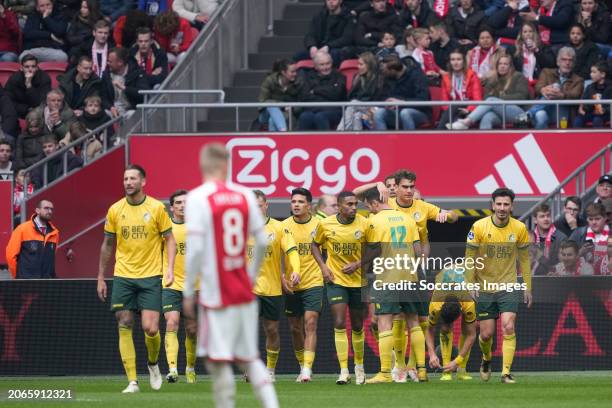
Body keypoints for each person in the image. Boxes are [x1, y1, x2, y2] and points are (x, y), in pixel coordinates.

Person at [182, 143, 279, 408]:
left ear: (203, 165)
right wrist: (250, 275)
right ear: (227, 165)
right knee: (249, 357)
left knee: (217, 359)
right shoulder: (245, 195)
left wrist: (188, 290)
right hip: (243, 289)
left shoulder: (198, 198)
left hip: (216, 293)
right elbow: (261, 241)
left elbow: (196, 249)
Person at [354, 169, 457, 381]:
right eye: (404, 187)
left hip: (402, 272)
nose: (409, 191)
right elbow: (355, 193)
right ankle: (404, 368)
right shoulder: (393, 207)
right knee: (407, 321)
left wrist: (447, 215)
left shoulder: (419, 207)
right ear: (394, 189)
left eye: (412, 187)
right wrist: (376, 184)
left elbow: (453, 218)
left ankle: (410, 369)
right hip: (405, 271)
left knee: (411, 320)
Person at [97, 164, 176, 393]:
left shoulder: (157, 208)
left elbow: (170, 240)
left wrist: (169, 268)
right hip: (123, 276)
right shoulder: (115, 210)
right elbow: (107, 244)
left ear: (143, 182)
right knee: (124, 323)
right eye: (125, 179)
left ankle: (152, 364)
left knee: (150, 329)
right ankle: (132, 381)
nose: (128, 182)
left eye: (133, 178)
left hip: (151, 276)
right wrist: (101, 276)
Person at [465, 187, 532, 384]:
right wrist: (470, 283)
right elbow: (469, 258)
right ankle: (486, 359)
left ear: (512, 206)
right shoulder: (478, 227)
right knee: (486, 335)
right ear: (493, 205)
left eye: (506, 204)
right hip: (484, 287)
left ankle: (506, 373)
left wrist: (528, 287)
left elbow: (525, 260)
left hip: (508, 285)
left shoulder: (519, 228)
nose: (502, 208)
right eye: (499, 204)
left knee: (508, 326)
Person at [360, 186, 425, 383]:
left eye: (369, 207)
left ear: (374, 203)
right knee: (414, 322)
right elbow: (418, 251)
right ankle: (421, 371)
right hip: (410, 277)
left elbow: (373, 250)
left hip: (387, 278)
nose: (369, 210)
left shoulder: (374, 221)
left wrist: (360, 266)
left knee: (384, 323)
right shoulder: (408, 219)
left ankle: (385, 374)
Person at [311, 191, 368, 385]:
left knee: (359, 325)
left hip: (359, 281)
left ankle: (359, 367)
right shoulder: (326, 224)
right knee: (339, 321)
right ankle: (344, 370)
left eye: (355, 204)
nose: (354, 207)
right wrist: (324, 266)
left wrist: (358, 264)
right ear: (340, 206)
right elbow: (314, 245)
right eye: (349, 204)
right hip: (336, 280)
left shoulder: (365, 223)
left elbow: (376, 249)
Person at [248, 190, 300, 382]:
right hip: (248, 290)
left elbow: (292, 251)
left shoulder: (279, 228)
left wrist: (295, 269)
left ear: (266, 205)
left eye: (259, 205)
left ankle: (270, 370)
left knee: (271, 329)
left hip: (271, 288)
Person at [282, 188, 323, 383]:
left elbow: (329, 252)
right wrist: (283, 278)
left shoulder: (319, 225)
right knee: (294, 328)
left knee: (311, 322)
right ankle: (301, 365)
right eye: (293, 201)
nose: (296, 205)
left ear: (308, 205)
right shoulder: (283, 226)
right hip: (291, 284)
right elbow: (278, 256)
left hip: (314, 281)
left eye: (300, 202)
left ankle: (307, 369)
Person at [162, 189, 198, 384]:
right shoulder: (165, 228)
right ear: (172, 207)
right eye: (178, 203)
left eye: (186, 202)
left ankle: (190, 368)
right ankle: (173, 369)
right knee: (171, 323)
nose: (183, 206)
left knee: (192, 330)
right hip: (170, 284)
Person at [449, 53, 528, 129]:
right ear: (496, 66)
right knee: (487, 117)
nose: (502, 66)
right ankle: (484, 141)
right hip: (500, 113)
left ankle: (467, 122)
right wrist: (497, 99)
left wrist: (499, 98)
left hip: (522, 115)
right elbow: (486, 99)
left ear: (510, 67)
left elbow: (521, 97)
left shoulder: (518, 76)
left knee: (492, 100)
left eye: (505, 64)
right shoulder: (492, 80)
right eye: (500, 64)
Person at [426, 269, 477, 381]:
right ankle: (446, 372)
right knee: (445, 329)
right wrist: (432, 354)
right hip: (445, 276)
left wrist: (457, 360)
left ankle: (461, 370)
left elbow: (472, 335)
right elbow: (429, 330)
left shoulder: (468, 302)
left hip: (468, 275)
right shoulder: (436, 303)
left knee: (467, 329)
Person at [522, 47, 584, 129]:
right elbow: (538, 87)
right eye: (564, 60)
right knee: (540, 114)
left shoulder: (578, 80)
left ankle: (528, 114)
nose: (567, 63)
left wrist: (561, 95)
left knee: (555, 87)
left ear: (574, 63)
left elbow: (575, 95)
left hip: (563, 111)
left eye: (570, 60)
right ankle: (541, 139)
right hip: (545, 107)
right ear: (558, 62)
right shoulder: (546, 72)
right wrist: (542, 90)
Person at [374, 54, 431, 130]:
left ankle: (408, 141)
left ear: (393, 70)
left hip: (420, 112)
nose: (383, 73)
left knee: (405, 113)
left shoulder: (417, 75)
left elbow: (423, 100)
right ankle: (384, 141)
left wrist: (402, 102)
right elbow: (383, 96)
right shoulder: (388, 78)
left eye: (385, 71)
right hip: (396, 112)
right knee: (379, 113)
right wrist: (386, 103)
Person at [6, 199, 59, 279]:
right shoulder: (22, 229)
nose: (49, 211)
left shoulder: (55, 233)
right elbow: (10, 256)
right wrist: (17, 276)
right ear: (37, 210)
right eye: (46, 208)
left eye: (51, 209)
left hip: (47, 282)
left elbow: (51, 260)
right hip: (26, 282)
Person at [297, 51, 346, 130]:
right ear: (316, 66)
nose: (326, 67)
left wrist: (315, 90)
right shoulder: (308, 77)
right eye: (322, 65)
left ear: (332, 63)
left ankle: (326, 142)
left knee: (320, 117)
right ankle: (302, 142)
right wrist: (327, 94)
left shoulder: (339, 76)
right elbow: (305, 97)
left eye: (328, 63)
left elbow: (336, 94)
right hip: (313, 109)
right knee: (305, 116)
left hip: (334, 111)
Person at [297, 0, 354, 67]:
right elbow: (310, 34)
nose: (331, 2)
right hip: (320, 48)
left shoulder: (348, 17)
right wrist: (312, 46)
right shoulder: (319, 16)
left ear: (340, 1)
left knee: (334, 55)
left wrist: (328, 46)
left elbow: (347, 39)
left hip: (337, 48)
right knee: (298, 56)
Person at [438, 49, 483, 129]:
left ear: (464, 61)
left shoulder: (472, 76)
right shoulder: (446, 78)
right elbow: (444, 102)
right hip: (452, 110)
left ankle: (438, 134)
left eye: (459, 59)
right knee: (453, 120)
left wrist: (468, 110)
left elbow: (477, 99)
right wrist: (450, 110)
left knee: (454, 115)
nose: (456, 62)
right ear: (450, 62)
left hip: (468, 109)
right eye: (453, 60)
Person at [337, 51, 383, 130]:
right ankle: (356, 139)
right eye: (358, 64)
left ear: (369, 65)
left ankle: (340, 132)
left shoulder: (379, 78)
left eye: (361, 64)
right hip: (359, 108)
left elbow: (377, 98)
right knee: (356, 115)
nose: (358, 67)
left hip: (374, 108)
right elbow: (351, 96)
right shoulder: (358, 77)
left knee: (353, 104)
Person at [101, 47, 150, 117]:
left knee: (132, 114)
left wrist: (124, 88)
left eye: (110, 61)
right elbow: (103, 97)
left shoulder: (137, 73)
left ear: (120, 63)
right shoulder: (106, 75)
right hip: (113, 110)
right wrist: (110, 107)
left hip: (130, 109)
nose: (108, 63)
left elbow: (144, 94)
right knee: (104, 112)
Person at [258, 59, 302, 132]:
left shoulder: (298, 82)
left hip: (287, 113)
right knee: (272, 105)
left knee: (272, 121)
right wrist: (283, 106)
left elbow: (301, 103)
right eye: (292, 72)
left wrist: (292, 107)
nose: (295, 74)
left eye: (296, 71)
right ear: (283, 72)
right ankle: (283, 132)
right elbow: (262, 101)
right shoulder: (270, 81)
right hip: (265, 113)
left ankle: (280, 134)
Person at [4, 54, 52, 119]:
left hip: (39, 114)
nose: (30, 69)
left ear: (37, 68)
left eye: (33, 66)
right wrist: (26, 109)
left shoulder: (44, 78)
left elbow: (42, 103)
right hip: (18, 112)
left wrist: (29, 85)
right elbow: (7, 101)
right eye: (27, 67)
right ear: (21, 68)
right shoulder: (14, 79)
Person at [530, 203, 567, 276]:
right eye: (542, 216)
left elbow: (565, 263)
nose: (546, 219)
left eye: (548, 216)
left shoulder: (562, 238)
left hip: (554, 279)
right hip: (533, 279)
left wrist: (538, 254)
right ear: (535, 220)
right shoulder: (529, 237)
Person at [569, 202, 609, 266]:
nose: (594, 222)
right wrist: (580, 252)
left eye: (597, 219)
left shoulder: (610, 234)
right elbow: (565, 259)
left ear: (605, 218)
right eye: (591, 219)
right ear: (587, 219)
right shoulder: (578, 233)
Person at [574, 61, 612, 128]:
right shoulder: (590, 87)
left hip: (607, 114)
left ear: (603, 74)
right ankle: (577, 138)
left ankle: (599, 138)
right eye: (591, 72)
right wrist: (583, 108)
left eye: (594, 72)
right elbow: (584, 101)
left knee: (597, 120)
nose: (591, 74)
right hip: (592, 113)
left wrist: (604, 110)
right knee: (578, 120)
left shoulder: (610, 87)